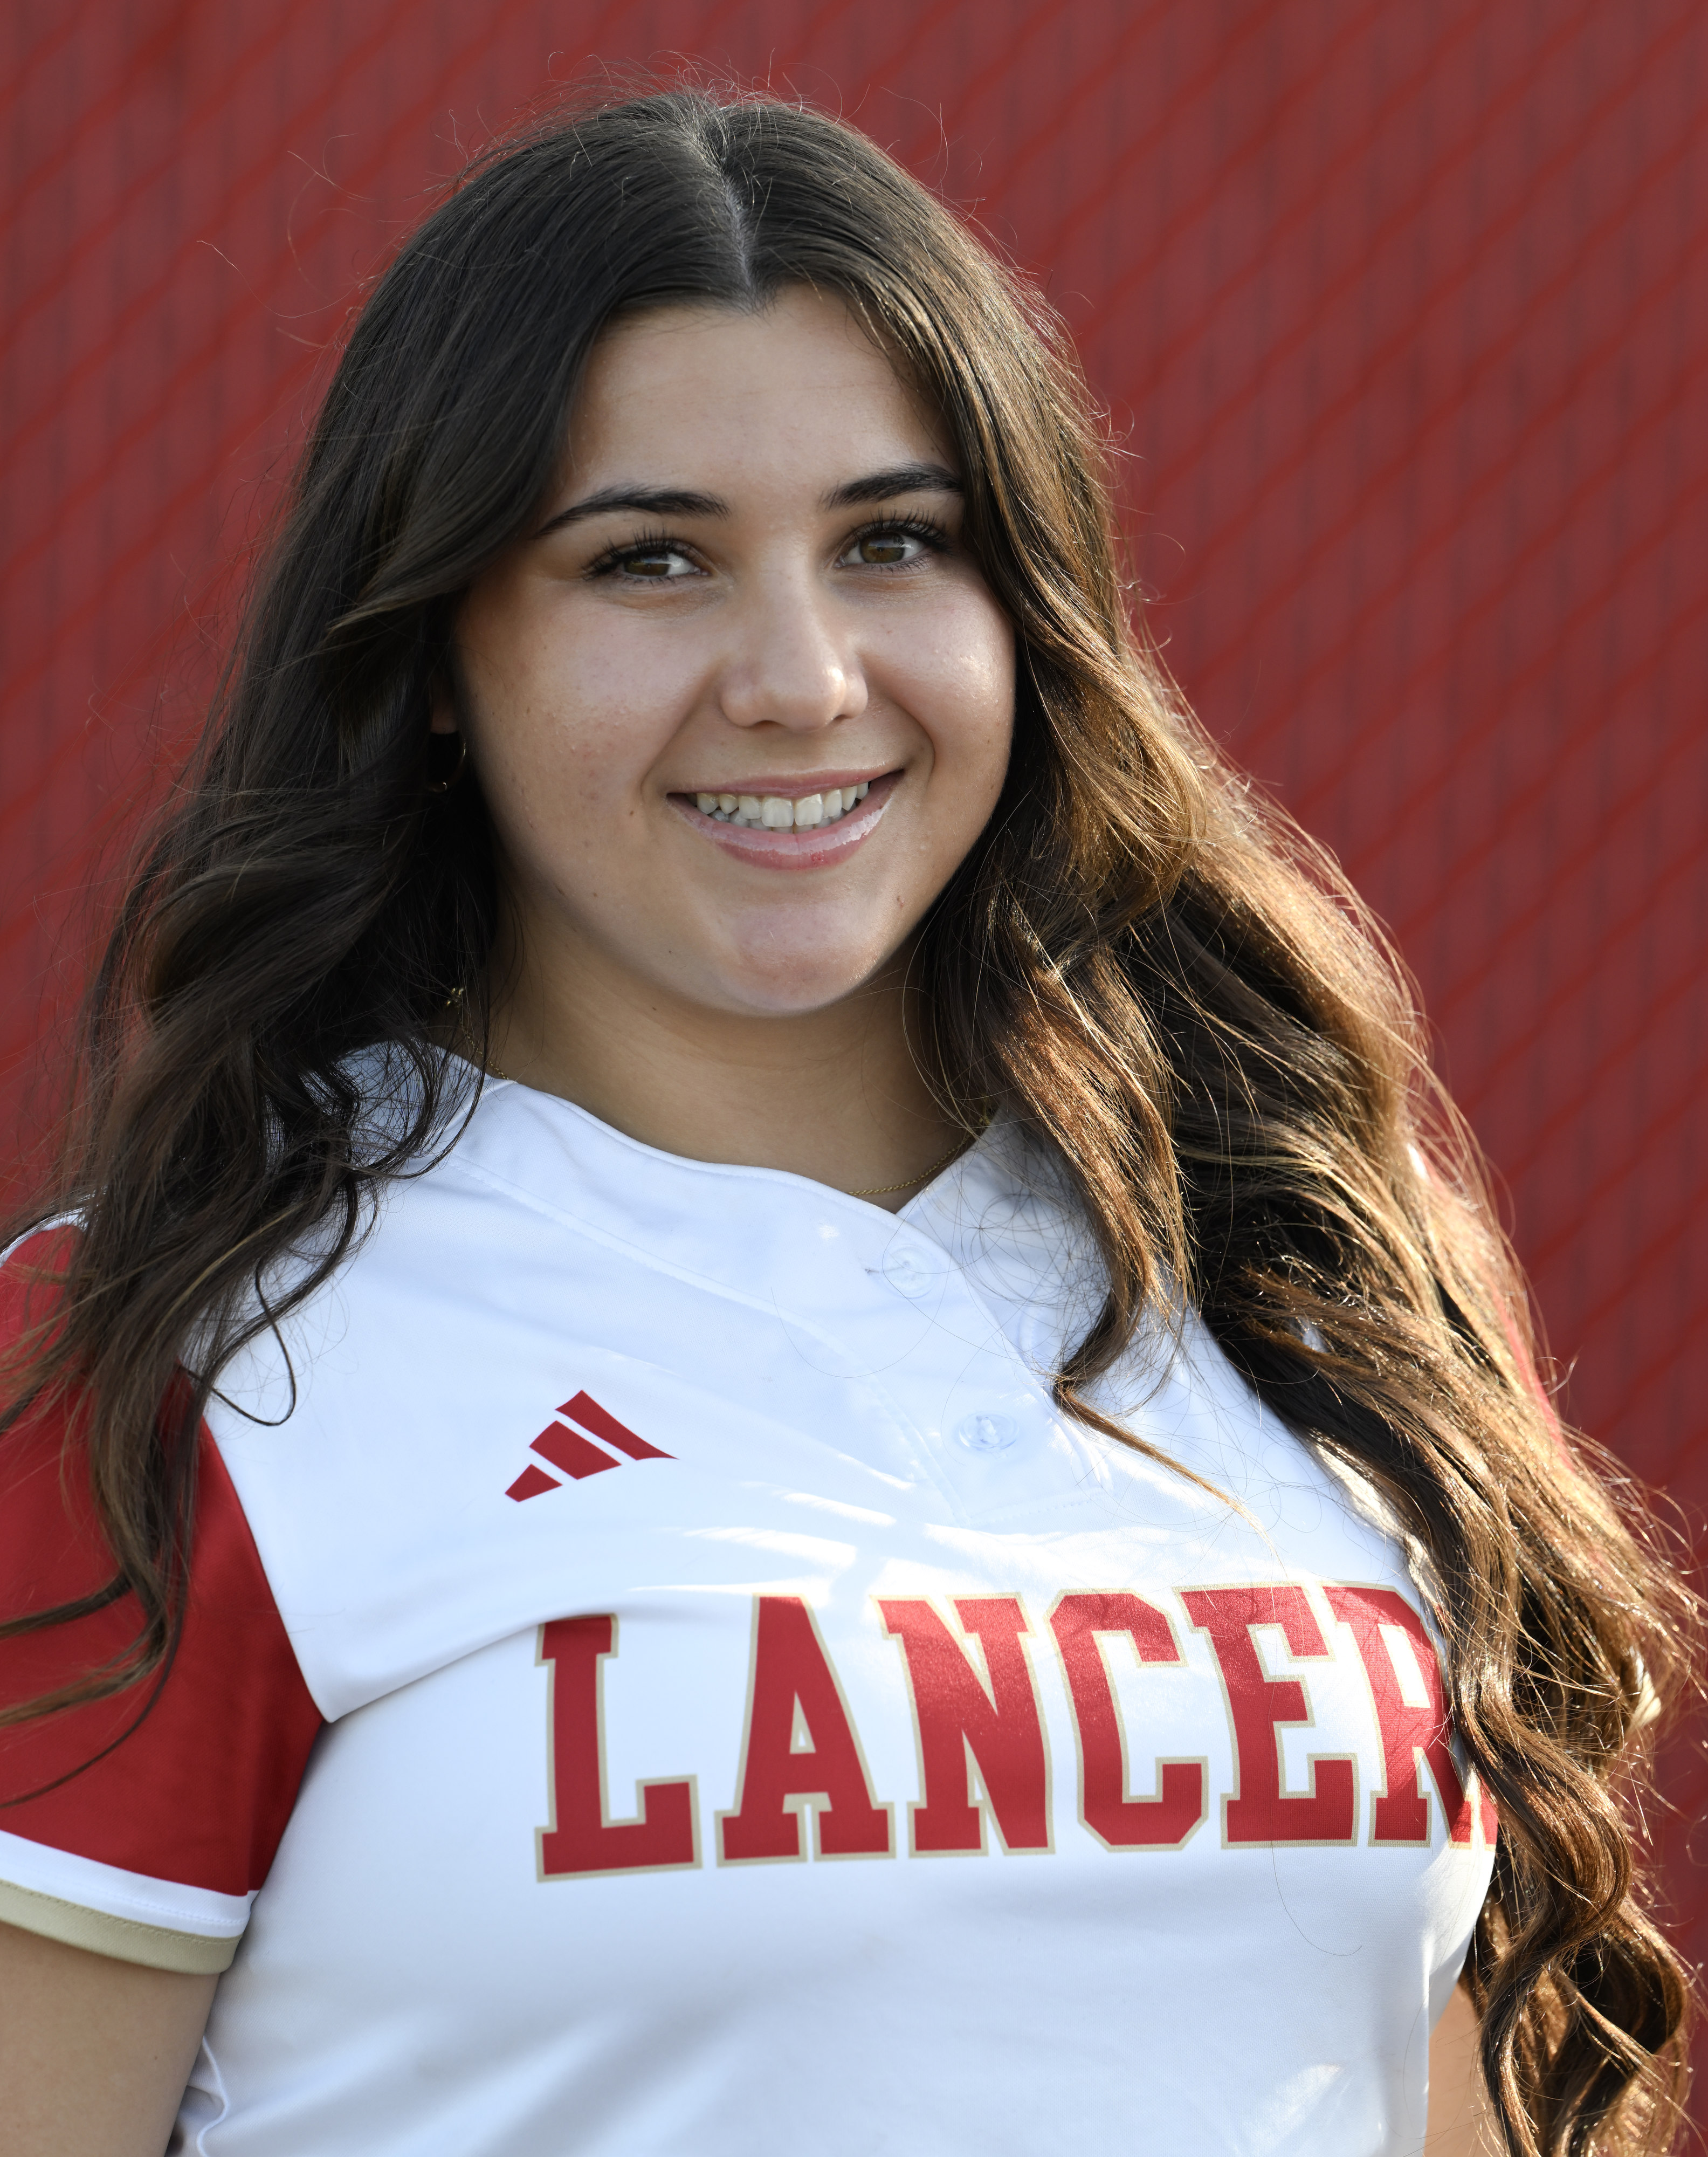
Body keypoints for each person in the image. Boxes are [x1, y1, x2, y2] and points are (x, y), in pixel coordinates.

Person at [0, 84, 1693, 2157]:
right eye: (650, 561)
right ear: (433, 651)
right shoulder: (175, 1362)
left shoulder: (1299, 1274)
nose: (802, 679)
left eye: (894, 543)